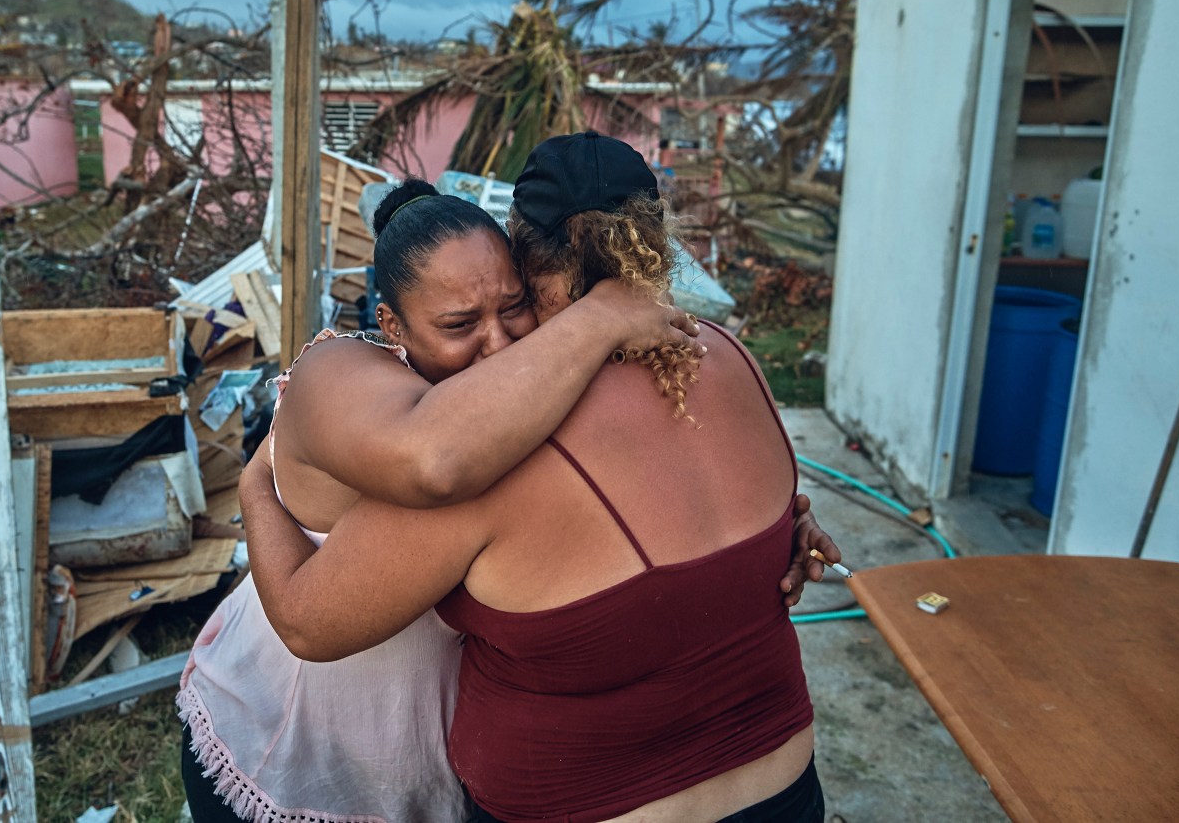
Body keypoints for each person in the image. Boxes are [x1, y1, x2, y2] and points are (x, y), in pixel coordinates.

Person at [243, 132, 835, 823]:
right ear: (657, 240)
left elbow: (310, 621)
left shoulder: (489, 448)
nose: (494, 340)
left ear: (520, 255)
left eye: (509, 304)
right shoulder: (735, 359)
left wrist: (253, 485)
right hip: (788, 791)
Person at [177, 185, 706, 822]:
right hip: (286, 745)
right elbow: (435, 461)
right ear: (392, 324)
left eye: (514, 308)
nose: (500, 344)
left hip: (419, 762)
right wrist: (602, 318)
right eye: (459, 325)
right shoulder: (342, 369)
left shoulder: (527, 394)